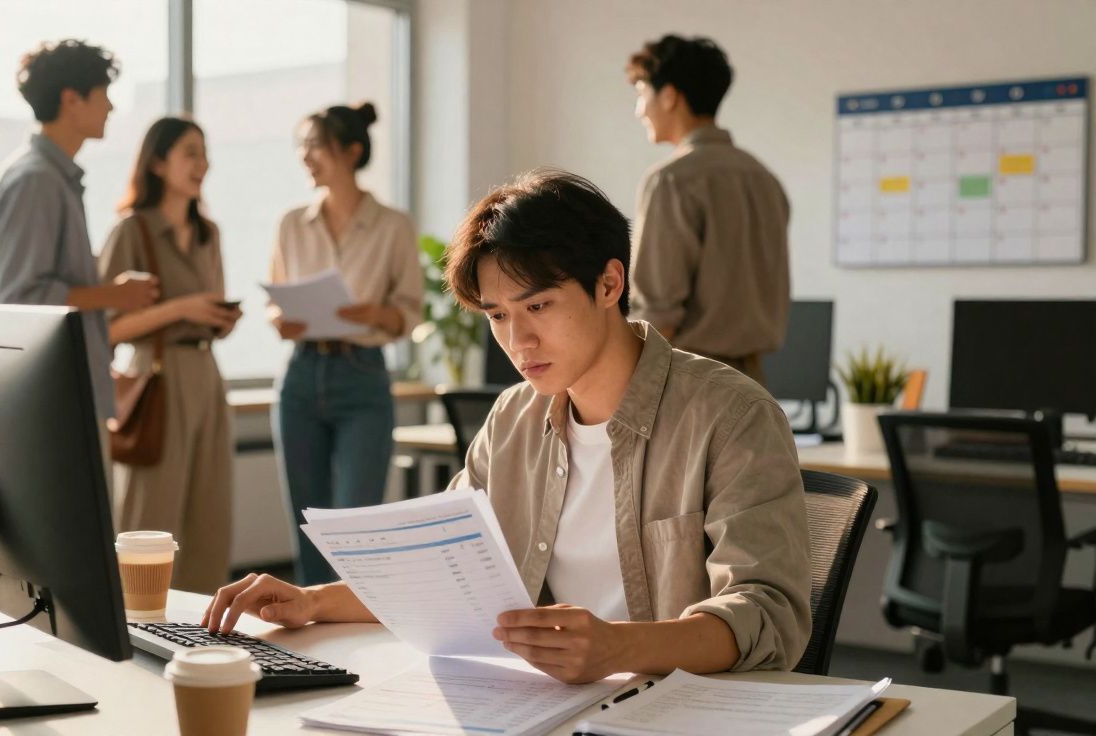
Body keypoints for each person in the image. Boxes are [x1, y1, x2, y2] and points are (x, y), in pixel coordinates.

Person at [201, 170, 811, 684]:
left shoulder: (730, 415)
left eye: (538, 306)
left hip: (675, 712)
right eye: (498, 315)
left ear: (609, 283)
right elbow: (441, 571)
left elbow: (768, 614)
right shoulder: (514, 417)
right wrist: (310, 602)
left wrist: (618, 648)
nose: (517, 341)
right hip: (538, 704)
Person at [267, 102, 423, 586]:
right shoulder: (292, 223)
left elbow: (410, 312)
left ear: (352, 151)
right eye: (302, 147)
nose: (306, 157)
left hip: (363, 374)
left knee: (358, 526)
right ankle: (309, 636)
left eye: (316, 146)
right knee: (308, 521)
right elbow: (277, 300)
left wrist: (373, 314)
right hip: (300, 374)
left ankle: (356, 629)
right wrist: (281, 320)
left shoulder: (394, 225)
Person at [0, 39, 158, 424]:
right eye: (103, 94)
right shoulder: (36, 180)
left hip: (59, 396)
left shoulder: (52, 178)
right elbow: (21, 298)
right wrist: (115, 294)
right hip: (49, 405)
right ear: (72, 99)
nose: (110, 106)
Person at [98, 117, 240, 594]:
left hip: (205, 373)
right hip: (152, 378)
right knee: (147, 516)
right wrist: (180, 308)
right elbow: (106, 327)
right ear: (158, 162)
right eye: (190, 153)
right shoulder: (130, 232)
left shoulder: (210, 233)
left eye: (204, 152)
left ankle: (198, 630)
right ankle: (131, 624)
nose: (203, 164)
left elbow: (208, 306)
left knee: (208, 518)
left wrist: (216, 318)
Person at [625, 35, 790, 385]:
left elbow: (658, 316)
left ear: (670, 95)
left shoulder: (671, 180)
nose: (639, 110)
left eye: (642, 94)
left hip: (687, 382)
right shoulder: (764, 179)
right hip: (753, 383)